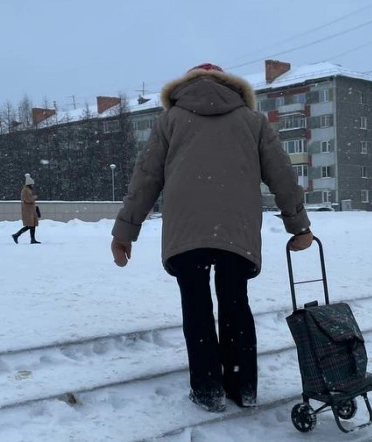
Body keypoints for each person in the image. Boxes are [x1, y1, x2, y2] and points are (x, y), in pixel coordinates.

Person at [110, 62, 314, 413]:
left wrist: (125, 231)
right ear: (232, 87)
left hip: (186, 228)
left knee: (197, 307)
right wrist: (299, 227)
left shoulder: (170, 121)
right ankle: (243, 386)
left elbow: (146, 178)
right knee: (235, 302)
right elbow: (282, 175)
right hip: (236, 228)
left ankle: (207, 389)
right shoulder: (252, 122)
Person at [11, 173, 41, 244]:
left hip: (30, 210)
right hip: (28, 210)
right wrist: (33, 198)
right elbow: (27, 199)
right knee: (30, 225)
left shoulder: (27, 190)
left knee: (32, 225)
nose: (33, 185)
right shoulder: (25, 190)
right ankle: (17, 235)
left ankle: (29, 238)